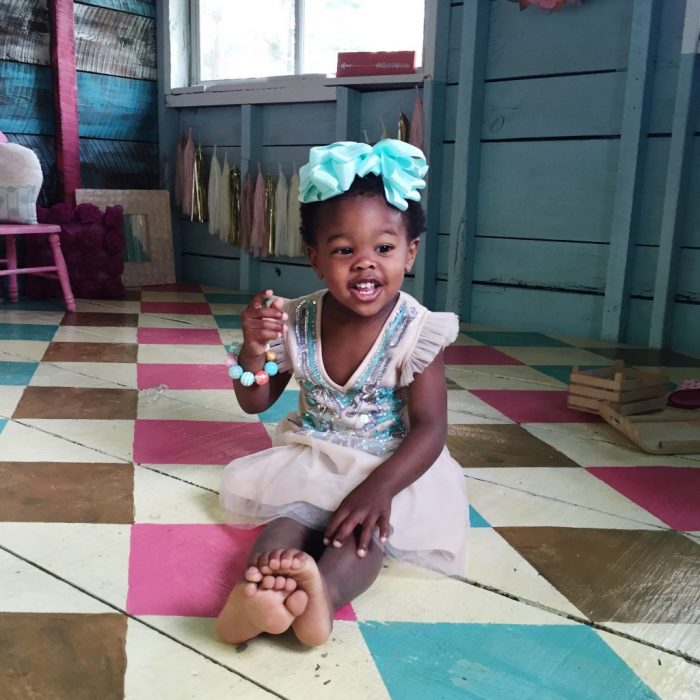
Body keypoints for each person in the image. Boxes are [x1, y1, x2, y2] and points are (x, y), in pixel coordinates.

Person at [216, 139, 469, 647]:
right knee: (284, 528)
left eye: (383, 248)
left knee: (360, 537)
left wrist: (379, 490)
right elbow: (255, 402)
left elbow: (431, 427)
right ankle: (257, 596)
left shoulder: (418, 331)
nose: (365, 263)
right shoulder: (296, 319)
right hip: (311, 460)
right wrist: (252, 350)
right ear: (315, 258)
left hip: (388, 469)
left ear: (409, 252)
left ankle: (322, 597)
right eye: (344, 250)